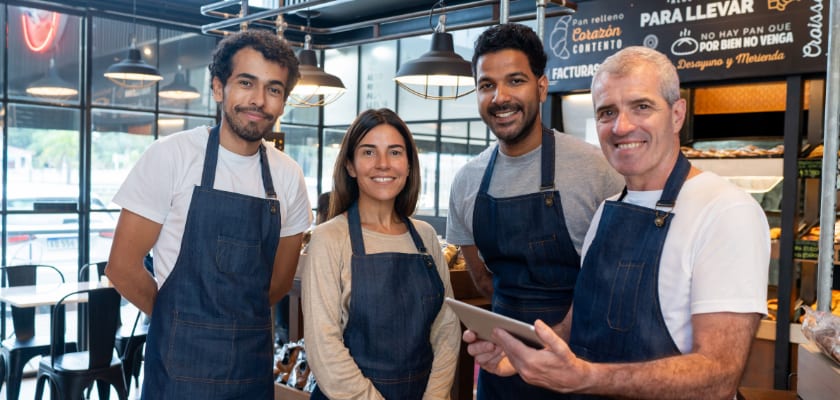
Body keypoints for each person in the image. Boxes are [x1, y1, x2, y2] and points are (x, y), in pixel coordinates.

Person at [465, 46, 770, 399]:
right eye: (607, 112)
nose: (621, 127)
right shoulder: (608, 210)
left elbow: (717, 377)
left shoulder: (726, 211)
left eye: (641, 106)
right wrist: (520, 355)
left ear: (676, 114)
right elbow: (572, 328)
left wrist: (587, 377)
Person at [105, 30, 312, 399]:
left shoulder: (287, 175)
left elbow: (279, 283)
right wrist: (182, 321)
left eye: (274, 89)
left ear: (283, 101)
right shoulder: (171, 156)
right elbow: (122, 267)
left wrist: (229, 328)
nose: (259, 100)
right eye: (246, 83)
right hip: (177, 367)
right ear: (218, 88)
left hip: (250, 365)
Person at [446, 23, 624, 399]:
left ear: (541, 86)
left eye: (515, 81)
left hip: (581, 363)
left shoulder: (598, 171)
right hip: (502, 366)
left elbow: (618, 283)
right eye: (486, 85)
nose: (500, 97)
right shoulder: (466, 182)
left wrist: (559, 331)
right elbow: (480, 280)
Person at [302, 108, 461, 400]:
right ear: (350, 165)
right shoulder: (329, 238)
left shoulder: (425, 237)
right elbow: (324, 348)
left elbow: (447, 329)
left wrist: (435, 397)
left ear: (409, 165)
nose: (383, 164)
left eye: (395, 152)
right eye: (368, 152)